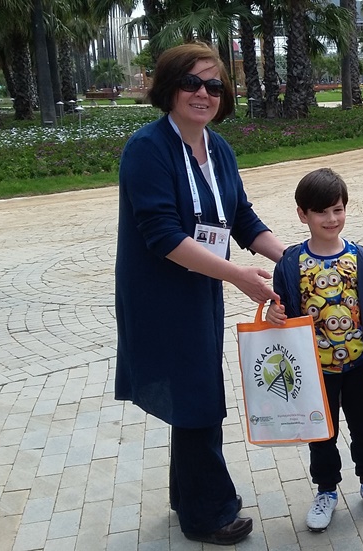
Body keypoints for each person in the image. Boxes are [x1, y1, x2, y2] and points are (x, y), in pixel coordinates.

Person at [114, 43, 286, 545]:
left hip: (201, 287)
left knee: (196, 389)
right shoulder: (148, 149)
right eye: (191, 82)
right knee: (199, 396)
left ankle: (186, 495)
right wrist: (237, 276)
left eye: (213, 85)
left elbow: (241, 218)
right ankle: (208, 513)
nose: (203, 94)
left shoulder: (218, 148)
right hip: (161, 294)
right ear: (169, 89)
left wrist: (293, 259)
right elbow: (163, 236)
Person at [265, 168, 363, 532]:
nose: (331, 219)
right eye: (321, 211)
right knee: (322, 432)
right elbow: (281, 309)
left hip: (357, 366)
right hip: (314, 370)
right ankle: (326, 490)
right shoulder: (290, 264)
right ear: (302, 214)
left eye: (337, 209)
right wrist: (273, 314)